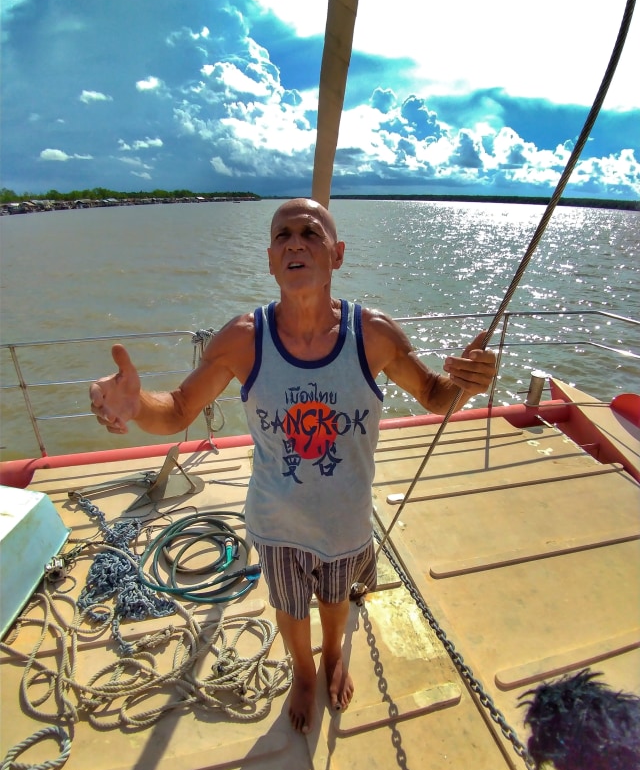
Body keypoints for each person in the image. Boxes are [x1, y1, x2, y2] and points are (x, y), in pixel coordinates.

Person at [90, 197, 496, 734]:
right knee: (288, 606)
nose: (295, 243)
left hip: (345, 518)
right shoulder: (243, 338)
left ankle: (334, 655)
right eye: (282, 235)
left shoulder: (373, 335)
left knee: (336, 600)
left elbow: (434, 395)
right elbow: (180, 409)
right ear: (269, 258)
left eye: (310, 232)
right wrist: (136, 405)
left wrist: (469, 382)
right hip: (276, 520)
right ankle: (304, 672)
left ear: (337, 254)